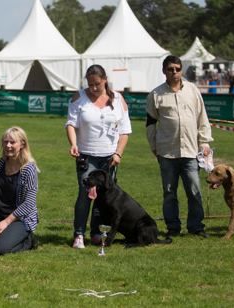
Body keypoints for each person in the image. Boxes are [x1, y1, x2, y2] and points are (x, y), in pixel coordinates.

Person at [145, 55, 213, 238]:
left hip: (191, 151)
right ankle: (173, 228)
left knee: (194, 191)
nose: (174, 72)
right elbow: (150, 123)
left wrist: (204, 142)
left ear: (181, 70)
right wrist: (154, 147)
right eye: (170, 69)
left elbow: (202, 118)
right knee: (169, 193)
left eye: (177, 68)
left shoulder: (192, 91)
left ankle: (196, 227)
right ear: (164, 71)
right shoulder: (156, 94)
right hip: (167, 152)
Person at [65, 64, 131, 249]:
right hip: (87, 156)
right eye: (90, 84)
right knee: (86, 194)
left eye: (97, 84)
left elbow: (125, 131)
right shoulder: (79, 98)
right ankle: (79, 234)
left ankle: (96, 233)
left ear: (105, 81)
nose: (93, 88)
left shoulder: (118, 99)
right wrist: (74, 144)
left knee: (104, 198)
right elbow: (70, 124)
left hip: (110, 158)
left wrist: (118, 153)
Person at [0, 127, 39, 255]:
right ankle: (6, 236)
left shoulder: (29, 169)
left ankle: (29, 241)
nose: (8, 146)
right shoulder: (1, 162)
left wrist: (6, 222)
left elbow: (29, 203)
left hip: (20, 218)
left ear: (22, 144)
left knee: (0, 249)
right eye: (5, 142)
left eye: (12, 142)